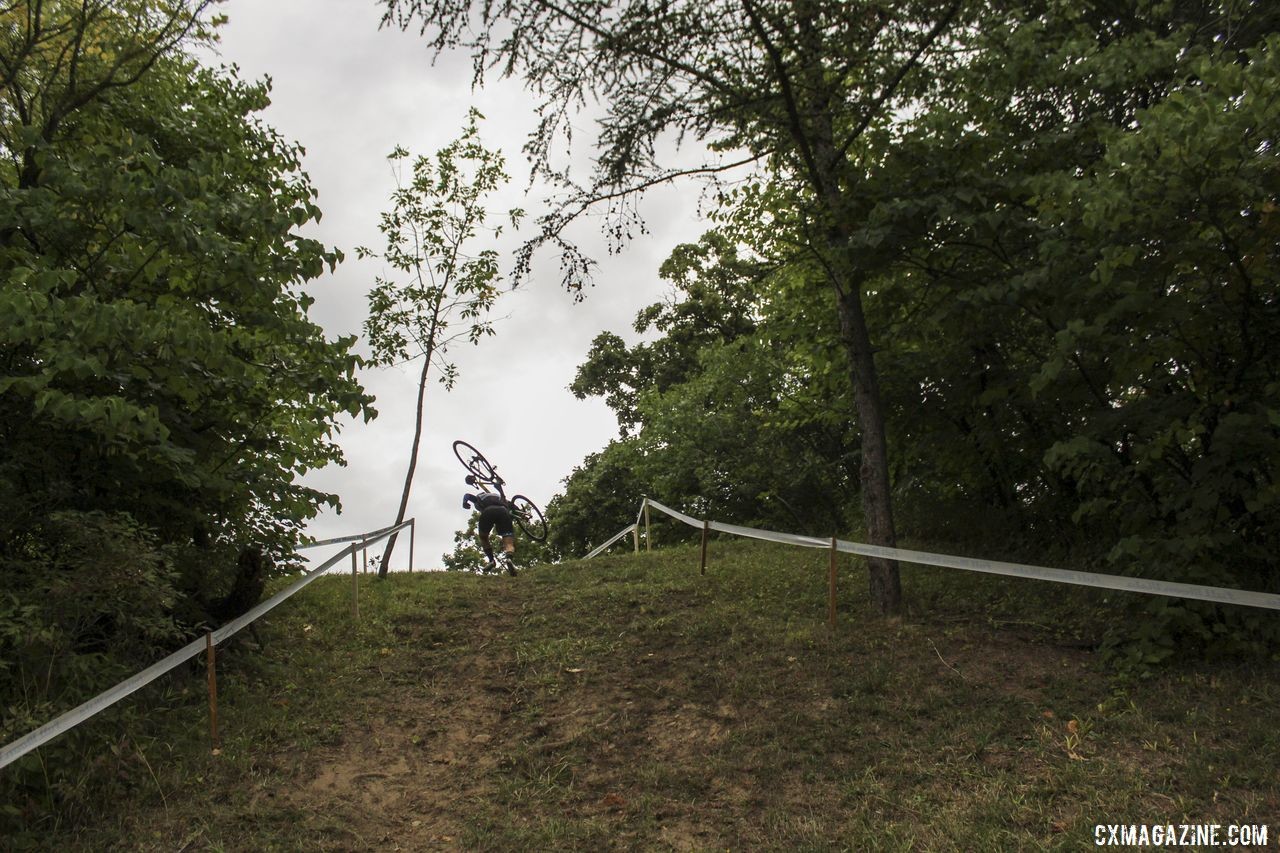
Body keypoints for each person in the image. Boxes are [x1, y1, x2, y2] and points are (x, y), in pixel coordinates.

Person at [463, 480, 517, 575]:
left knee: (483, 537)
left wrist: (464, 502)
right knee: (508, 540)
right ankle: (508, 558)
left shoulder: (479, 497)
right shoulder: (499, 497)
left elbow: (467, 495)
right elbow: (514, 507)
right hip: (503, 511)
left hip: (488, 512)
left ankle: (491, 560)